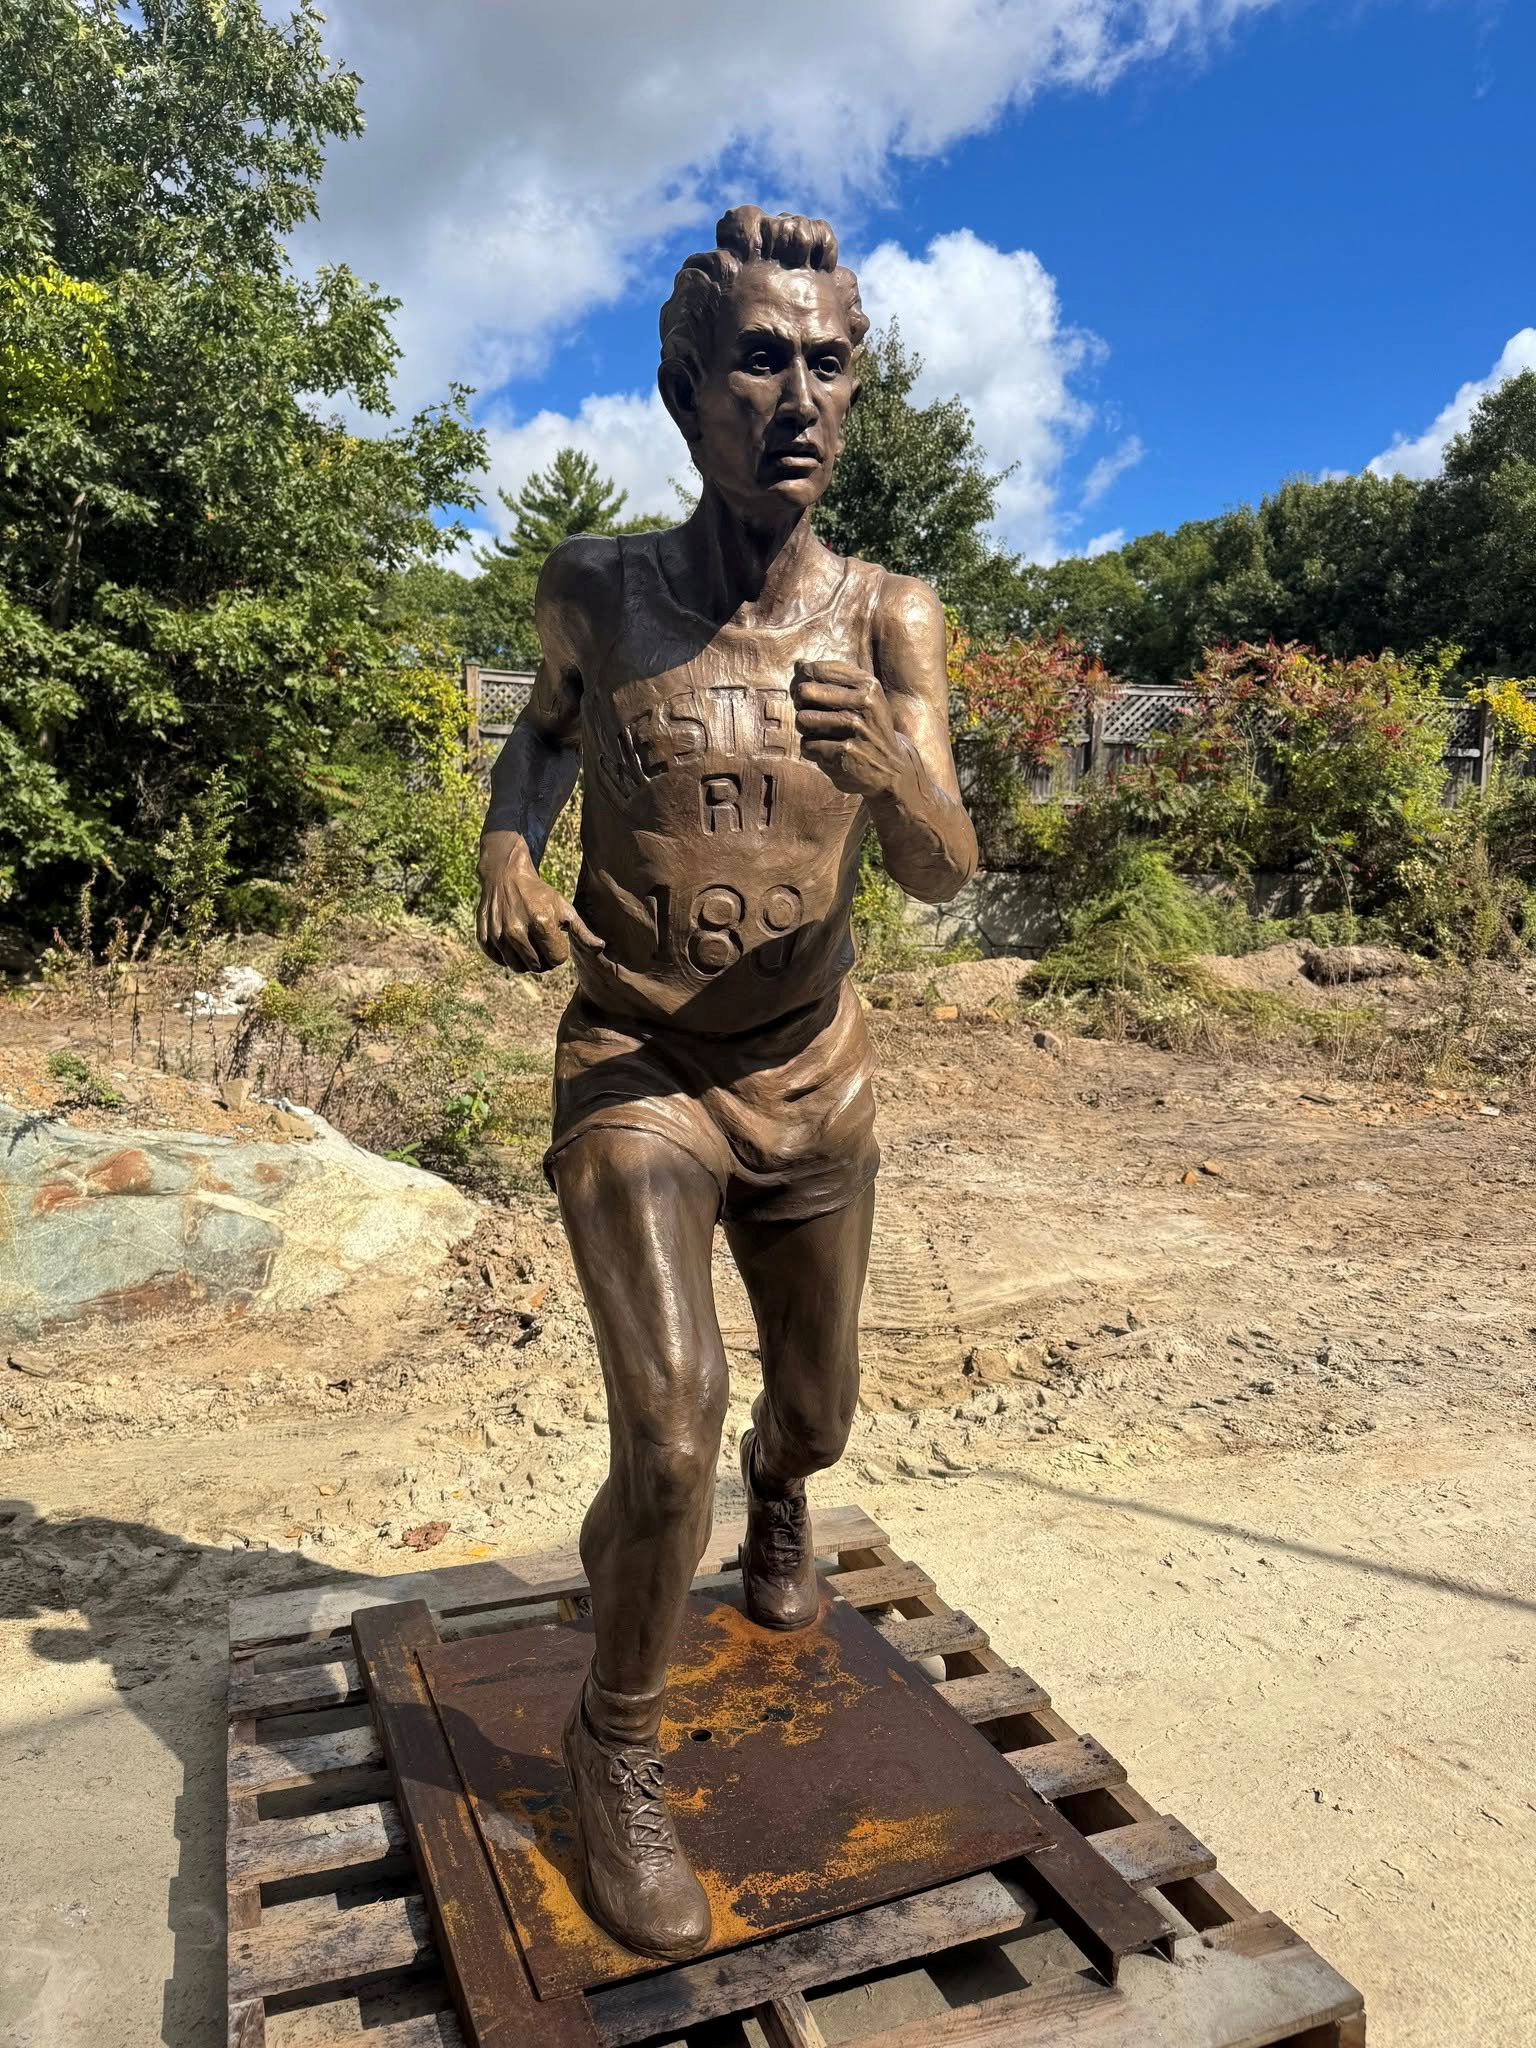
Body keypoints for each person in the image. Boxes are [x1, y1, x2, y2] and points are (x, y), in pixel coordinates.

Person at [476, 205, 977, 1961]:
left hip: (814, 1073)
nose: (800, 397)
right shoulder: (597, 590)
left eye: (828, 363)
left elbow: (945, 872)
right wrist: (507, 850)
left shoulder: (893, 617)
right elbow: (540, 735)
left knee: (811, 1414)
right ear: (685, 391)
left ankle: (781, 1492)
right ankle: (613, 1743)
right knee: (669, 1420)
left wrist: (898, 773)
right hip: (637, 1058)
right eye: (761, 360)